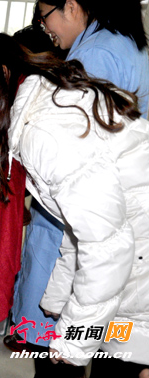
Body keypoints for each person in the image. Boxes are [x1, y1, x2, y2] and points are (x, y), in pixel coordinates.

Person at [0, 32, 149, 375]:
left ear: (0, 79)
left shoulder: (46, 131)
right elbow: (80, 227)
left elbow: (105, 247)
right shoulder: (45, 106)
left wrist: (74, 341)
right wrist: (58, 300)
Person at [8, 1, 149, 373]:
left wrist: (73, 338)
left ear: (71, 6)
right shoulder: (118, 44)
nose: (44, 26)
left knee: (106, 354)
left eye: (44, 15)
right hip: (120, 239)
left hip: (129, 251)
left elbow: (101, 241)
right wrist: (57, 297)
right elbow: (85, 220)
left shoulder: (95, 57)